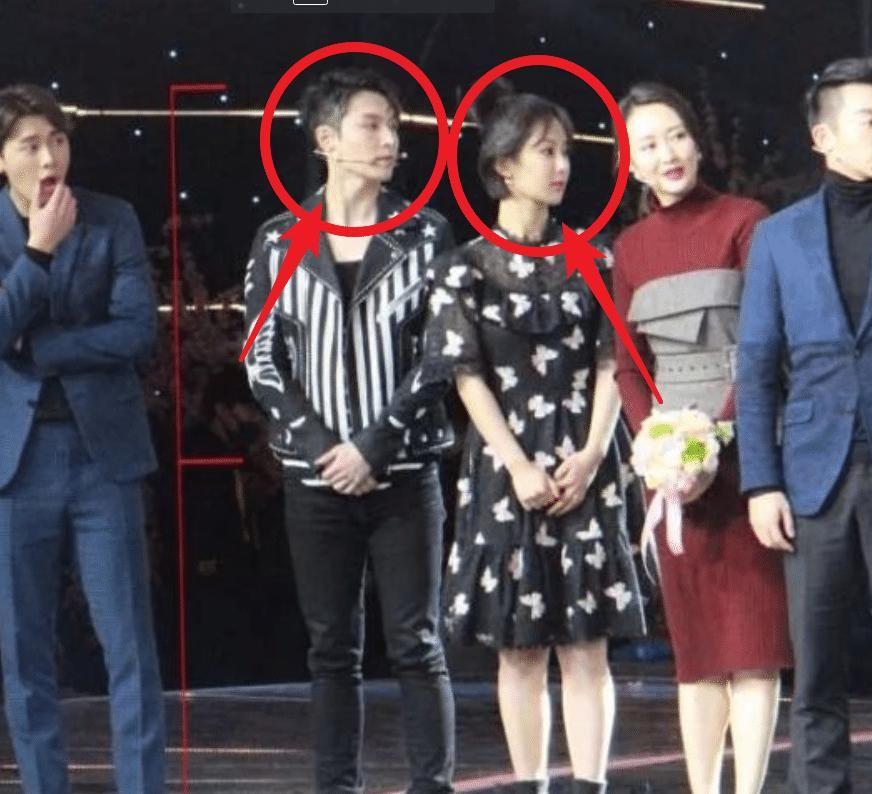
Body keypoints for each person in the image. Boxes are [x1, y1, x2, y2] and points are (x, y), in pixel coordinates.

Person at [423, 81, 645, 794]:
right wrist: (518, 464)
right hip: (503, 471)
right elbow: (465, 378)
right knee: (518, 649)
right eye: (545, 151)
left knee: (586, 646)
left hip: (586, 462)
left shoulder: (595, 259)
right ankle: (530, 785)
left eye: (565, 152)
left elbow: (613, 362)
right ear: (503, 166)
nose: (561, 166)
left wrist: (593, 452)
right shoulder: (462, 268)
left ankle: (590, 784)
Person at [243, 67, 456, 794]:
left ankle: (432, 785)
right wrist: (321, 447)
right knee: (332, 650)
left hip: (405, 474)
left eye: (393, 125)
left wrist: (374, 444)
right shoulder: (279, 239)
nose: (389, 138)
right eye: (372, 124)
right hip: (314, 479)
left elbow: (442, 354)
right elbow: (261, 358)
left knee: (416, 644)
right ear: (327, 139)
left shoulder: (425, 232)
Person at [612, 82, 791, 794]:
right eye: (649, 145)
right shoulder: (630, 248)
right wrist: (658, 450)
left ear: (697, 140)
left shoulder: (747, 220)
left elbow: (765, 344)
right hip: (672, 473)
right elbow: (629, 366)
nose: (668, 153)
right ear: (630, 164)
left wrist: (711, 439)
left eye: (677, 135)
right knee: (697, 656)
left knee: (753, 648)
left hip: (748, 458)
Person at [0, 83, 165, 792]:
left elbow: (137, 332)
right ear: (2, 157)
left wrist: (40, 348)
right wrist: (37, 253)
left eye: (58, 141)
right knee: (24, 653)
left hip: (105, 458)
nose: (49, 158)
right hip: (16, 463)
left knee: (129, 646)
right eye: (30, 144)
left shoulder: (111, 218)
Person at [737, 56, 872, 793]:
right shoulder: (781, 236)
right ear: (824, 137)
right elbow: (757, 366)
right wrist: (761, 482)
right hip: (816, 474)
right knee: (817, 670)